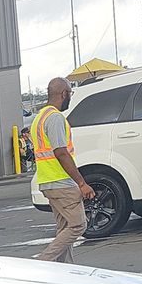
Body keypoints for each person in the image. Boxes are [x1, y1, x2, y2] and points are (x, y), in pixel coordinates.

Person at [30, 78, 95, 263]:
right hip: (62, 182)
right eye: (70, 94)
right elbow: (61, 152)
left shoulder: (39, 118)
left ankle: (65, 270)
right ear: (64, 94)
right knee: (78, 225)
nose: (70, 98)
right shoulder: (55, 118)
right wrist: (81, 183)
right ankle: (43, 262)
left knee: (64, 228)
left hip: (47, 181)